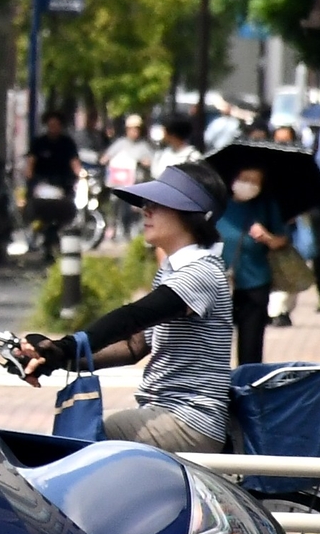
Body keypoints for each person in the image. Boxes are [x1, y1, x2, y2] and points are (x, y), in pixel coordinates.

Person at [13, 161, 235, 454]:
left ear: (194, 216)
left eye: (160, 204)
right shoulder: (173, 269)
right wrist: (54, 358)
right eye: (147, 202)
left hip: (190, 420)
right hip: (164, 412)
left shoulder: (201, 272)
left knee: (83, 442)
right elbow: (133, 346)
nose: (146, 210)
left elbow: (135, 316)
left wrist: (69, 344)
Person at [216, 166, 287, 364]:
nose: (249, 185)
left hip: (255, 283)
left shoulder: (265, 205)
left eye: (255, 182)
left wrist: (267, 237)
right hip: (218, 285)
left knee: (251, 347)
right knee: (215, 345)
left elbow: (281, 241)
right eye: (245, 178)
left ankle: (248, 389)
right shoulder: (217, 204)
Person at [99, 115, 154, 240]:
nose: (134, 132)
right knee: (114, 202)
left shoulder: (144, 146)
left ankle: (131, 232)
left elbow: (151, 161)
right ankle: (112, 227)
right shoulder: (120, 144)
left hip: (136, 185)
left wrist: (143, 162)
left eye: (137, 129)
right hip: (118, 183)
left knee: (133, 209)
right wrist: (105, 160)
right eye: (132, 129)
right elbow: (105, 157)